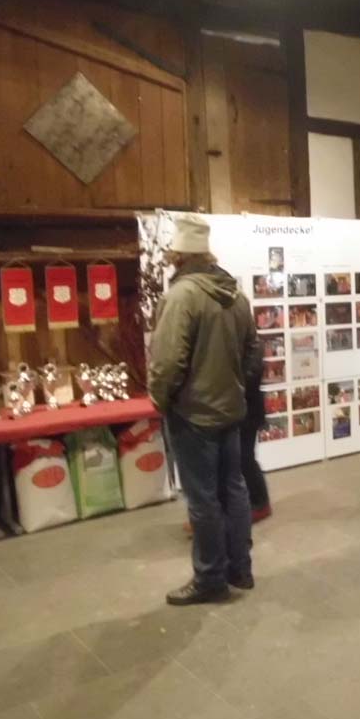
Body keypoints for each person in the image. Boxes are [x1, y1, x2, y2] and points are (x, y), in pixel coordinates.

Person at [148, 213, 259, 605]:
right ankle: (240, 568)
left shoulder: (181, 297)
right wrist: (235, 386)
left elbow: (167, 362)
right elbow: (252, 352)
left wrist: (160, 399)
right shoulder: (236, 296)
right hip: (230, 410)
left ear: (178, 256)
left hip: (193, 415)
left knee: (203, 500)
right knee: (234, 489)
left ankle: (210, 578)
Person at [241, 355, 272, 523]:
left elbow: (252, 374)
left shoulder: (250, 345)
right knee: (244, 458)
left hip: (248, 409)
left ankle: (260, 503)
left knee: (245, 458)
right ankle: (257, 502)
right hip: (244, 407)